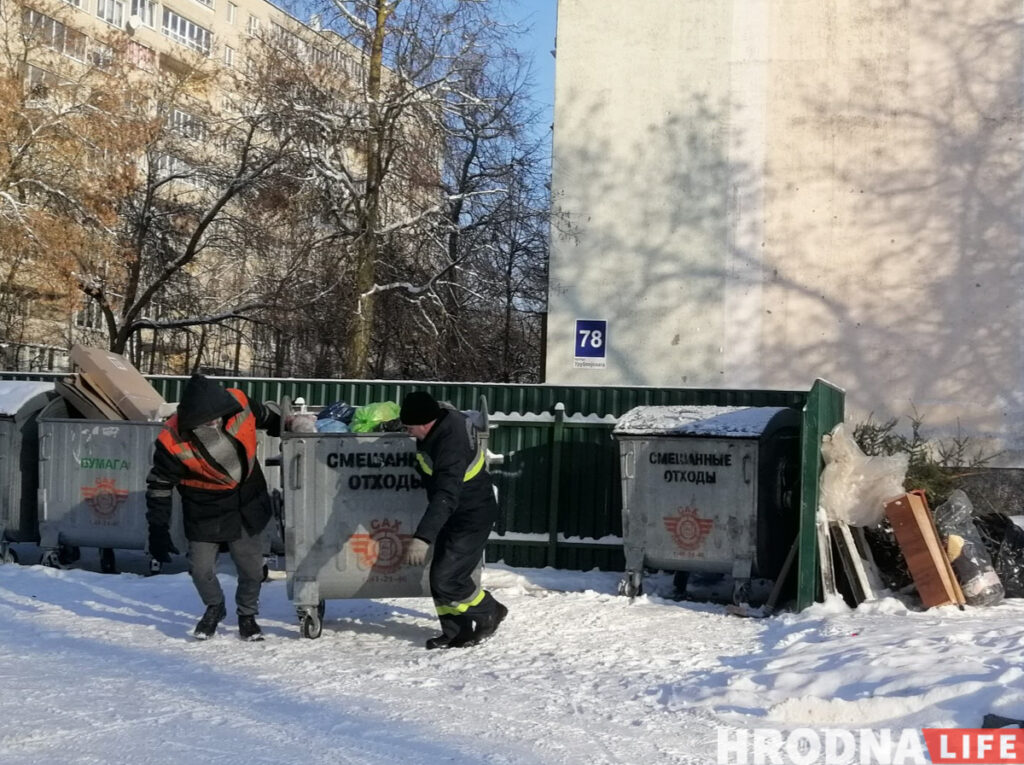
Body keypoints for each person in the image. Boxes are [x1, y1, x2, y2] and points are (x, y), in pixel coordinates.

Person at [145, 374, 281, 641]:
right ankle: (214, 607)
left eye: (216, 416)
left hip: (246, 501)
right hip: (204, 507)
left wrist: (287, 425)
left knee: (252, 569)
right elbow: (159, 485)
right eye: (204, 420)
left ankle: (247, 615)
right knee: (200, 569)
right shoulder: (171, 438)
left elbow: (267, 416)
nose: (212, 422)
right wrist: (157, 527)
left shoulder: (239, 403)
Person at [400, 391, 507, 649]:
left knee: (446, 578)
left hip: (472, 515)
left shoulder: (451, 445)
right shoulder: (442, 418)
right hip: (456, 512)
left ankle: (490, 610)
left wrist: (422, 537)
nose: (408, 433)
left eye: (410, 428)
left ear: (426, 423)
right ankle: (457, 632)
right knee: (440, 576)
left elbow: (446, 495)